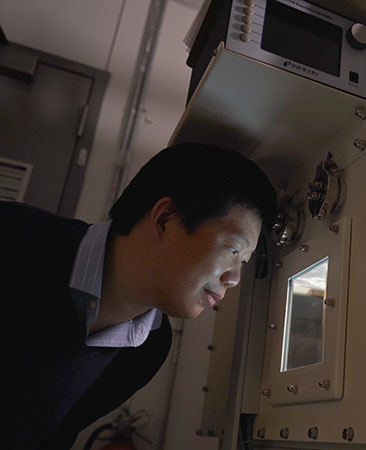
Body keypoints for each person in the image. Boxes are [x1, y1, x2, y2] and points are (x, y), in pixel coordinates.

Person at [0, 142, 276, 450]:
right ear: (165, 219)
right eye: (234, 250)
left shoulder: (150, 349)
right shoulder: (12, 235)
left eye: (244, 262)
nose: (235, 278)